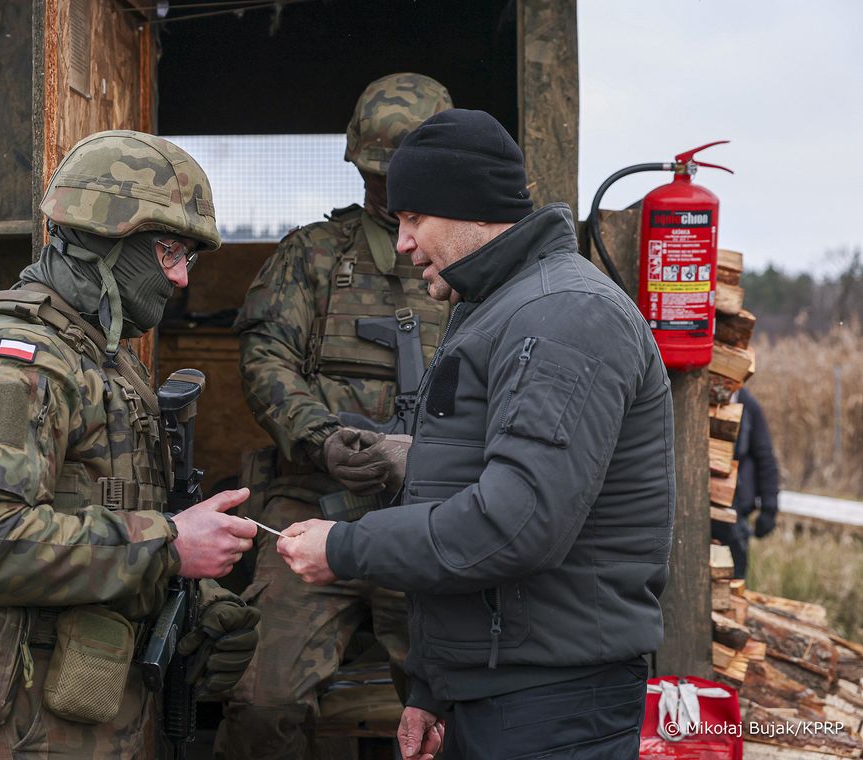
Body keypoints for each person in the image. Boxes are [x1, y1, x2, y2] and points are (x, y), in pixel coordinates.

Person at [277, 109, 675, 760]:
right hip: (497, 694)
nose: (402, 242)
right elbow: (461, 486)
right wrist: (434, 688)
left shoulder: (564, 316)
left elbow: (518, 523)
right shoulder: (495, 310)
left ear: (471, 210)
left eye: (413, 219)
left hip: (555, 710)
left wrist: (347, 548)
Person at [0, 130, 261, 758]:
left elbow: (110, 508)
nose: (181, 279)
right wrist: (170, 547)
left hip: (87, 691)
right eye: (169, 252)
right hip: (23, 715)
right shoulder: (9, 362)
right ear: (106, 239)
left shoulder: (98, 353)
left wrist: (196, 599)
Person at [214, 73, 453, 759]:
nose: (384, 190)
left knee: (461, 709)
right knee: (263, 702)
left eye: (399, 174)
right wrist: (320, 440)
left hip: (433, 523)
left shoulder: (472, 264)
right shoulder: (316, 255)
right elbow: (266, 362)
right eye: (373, 174)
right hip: (314, 509)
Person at [712, 386, 780, 578]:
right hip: (706, 506)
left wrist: (769, 507)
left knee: (734, 573)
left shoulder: (748, 405)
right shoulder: (703, 402)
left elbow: (765, 457)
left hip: (737, 508)